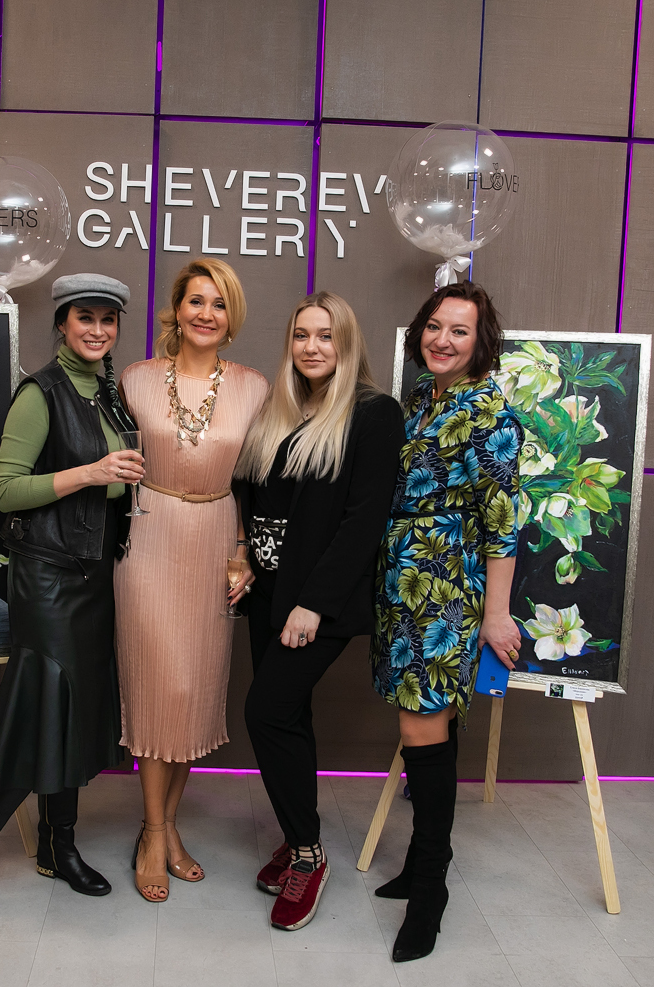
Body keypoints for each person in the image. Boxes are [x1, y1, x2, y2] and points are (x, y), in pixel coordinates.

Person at [0, 273, 144, 924]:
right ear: (61, 323)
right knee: (44, 713)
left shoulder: (112, 394)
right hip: (48, 579)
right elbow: (5, 492)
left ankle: (58, 846)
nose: (98, 330)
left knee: (74, 716)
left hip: (94, 576)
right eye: (86, 317)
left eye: (108, 319)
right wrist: (91, 472)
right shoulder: (39, 392)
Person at [234, 292, 404, 931]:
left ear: (347, 343)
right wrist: (247, 559)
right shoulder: (280, 409)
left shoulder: (373, 413)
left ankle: (308, 854)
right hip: (267, 594)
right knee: (290, 716)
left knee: (266, 711)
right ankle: (296, 833)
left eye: (326, 336)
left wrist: (313, 604)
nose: (312, 347)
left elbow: (364, 521)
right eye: (302, 335)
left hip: (316, 601)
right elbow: (254, 499)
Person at [371, 280, 523, 962]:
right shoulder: (419, 401)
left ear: (480, 342)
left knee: (421, 723)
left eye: (459, 330)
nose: (442, 339)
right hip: (402, 583)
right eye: (434, 326)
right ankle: (422, 861)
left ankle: (430, 888)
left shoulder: (492, 415)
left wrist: (496, 615)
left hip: (444, 591)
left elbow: (502, 523)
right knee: (432, 722)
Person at [114, 258, 267, 903]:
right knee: (157, 684)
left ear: (232, 319)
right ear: (176, 309)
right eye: (196, 300)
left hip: (216, 541)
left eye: (219, 304)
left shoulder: (255, 388)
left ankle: (167, 824)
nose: (206, 313)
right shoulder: (135, 378)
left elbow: (256, 481)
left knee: (194, 688)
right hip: (147, 536)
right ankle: (154, 833)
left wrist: (245, 552)